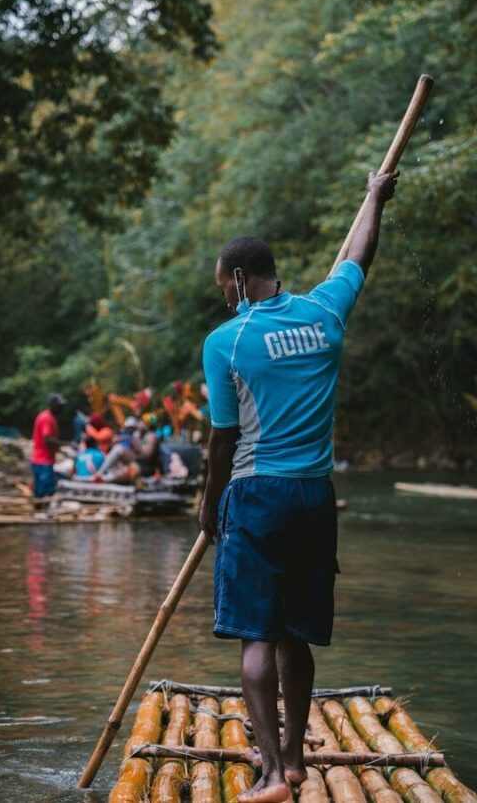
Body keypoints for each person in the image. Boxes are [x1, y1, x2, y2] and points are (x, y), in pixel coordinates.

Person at [199, 170, 399, 803]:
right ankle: (292, 762)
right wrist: (374, 198)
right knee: (297, 634)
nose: (226, 299)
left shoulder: (226, 342)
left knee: (257, 634)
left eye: (224, 288)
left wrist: (209, 509)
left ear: (237, 279)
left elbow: (222, 441)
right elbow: (357, 255)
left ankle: (265, 773)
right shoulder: (324, 311)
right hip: (316, 496)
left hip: (258, 494)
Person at [30, 393, 69, 498]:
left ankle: (39, 510)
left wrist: (61, 450)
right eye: (59, 405)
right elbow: (47, 439)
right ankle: (40, 510)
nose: (62, 408)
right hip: (42, 460)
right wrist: (67, 444)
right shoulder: (47, 418)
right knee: (44, 491)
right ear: (52, 405)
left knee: (41, 489)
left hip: (43, 460)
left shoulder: (49, 417)